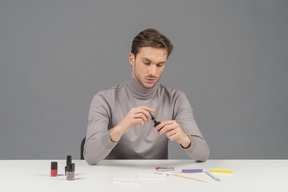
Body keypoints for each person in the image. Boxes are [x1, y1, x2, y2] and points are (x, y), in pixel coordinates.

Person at [84, 28, 210, 165]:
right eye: (146, 63)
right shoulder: (104, 99)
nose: (153, 72)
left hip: (158, 178)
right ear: (132, 59)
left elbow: (203, 154)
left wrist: (185, 139)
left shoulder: (176, 98)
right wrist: (120, 129)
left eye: (160, 65)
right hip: (115, 180)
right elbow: (90, 156)